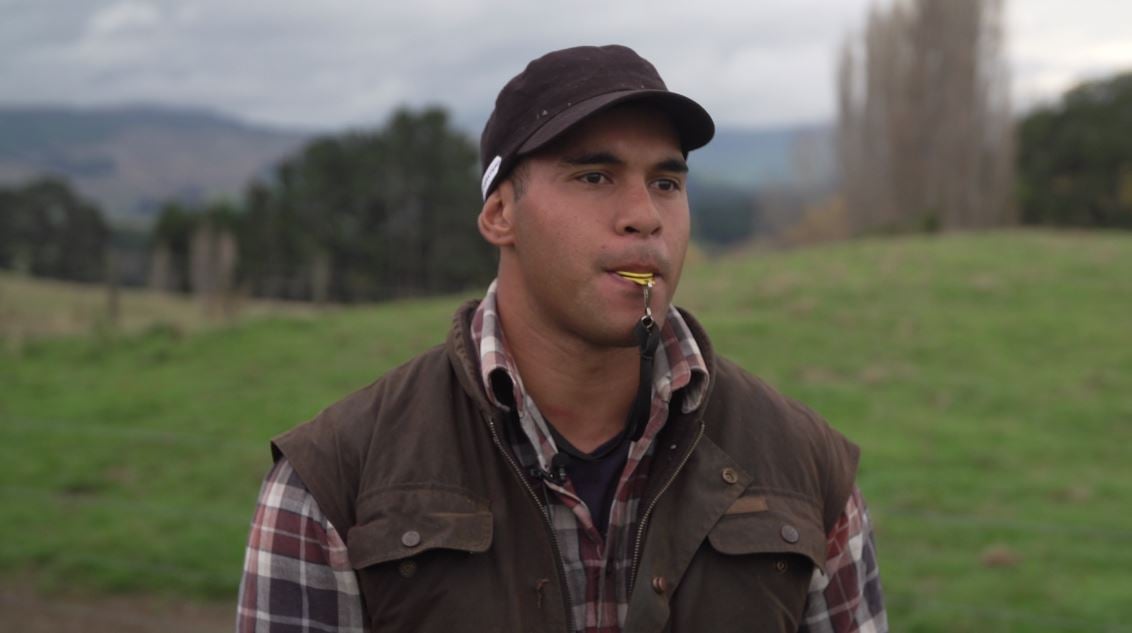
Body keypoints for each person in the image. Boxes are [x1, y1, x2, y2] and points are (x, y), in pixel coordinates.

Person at [237, 44, 886, 633]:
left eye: (666, 182)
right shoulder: (332, 483)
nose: (644, 217)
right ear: (500, 214)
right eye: (593, 177)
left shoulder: (810, 471)